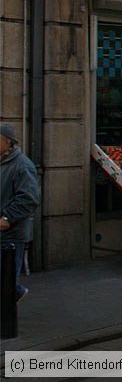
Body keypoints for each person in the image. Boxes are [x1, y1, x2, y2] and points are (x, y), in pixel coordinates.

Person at [0, 123, 41, 305]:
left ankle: (13, 296)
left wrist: (8, 218)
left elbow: (29, 199)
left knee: (6, 277)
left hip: (10, 233)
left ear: (7, 142)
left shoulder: (22, 166)